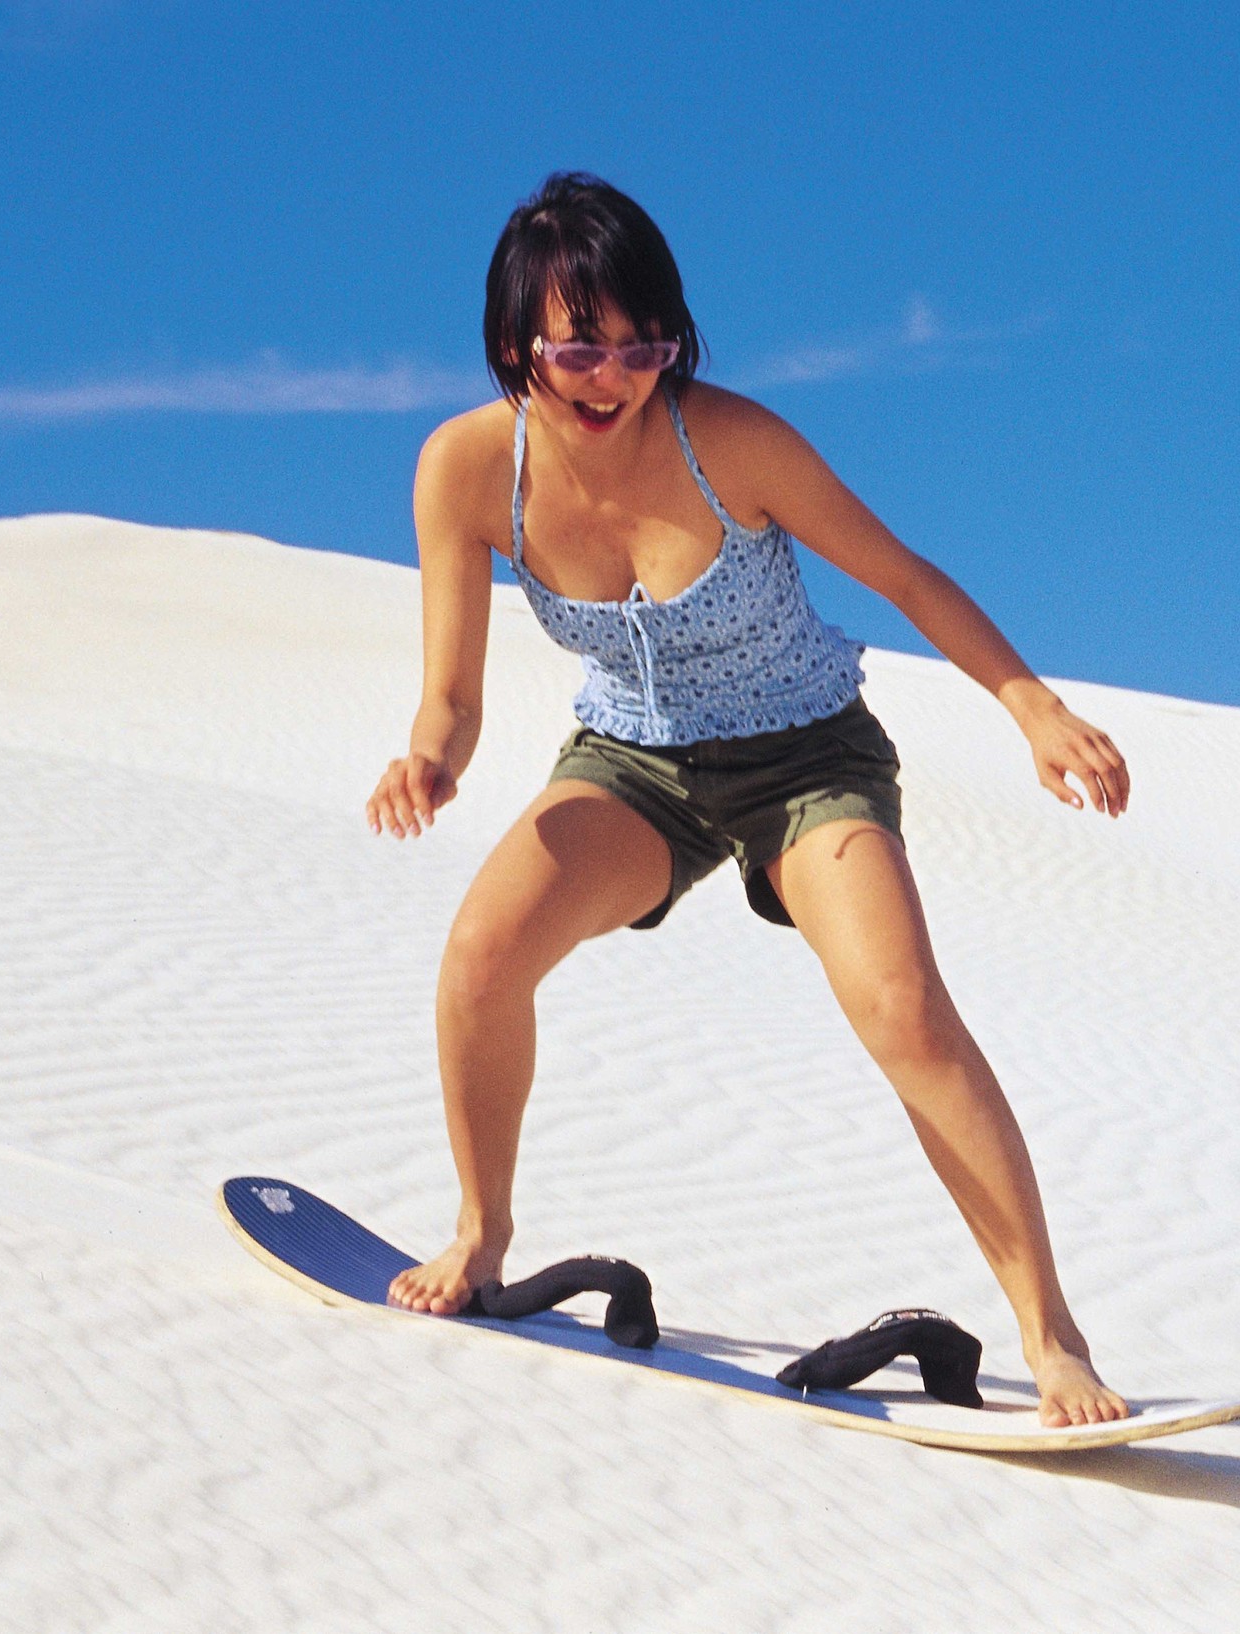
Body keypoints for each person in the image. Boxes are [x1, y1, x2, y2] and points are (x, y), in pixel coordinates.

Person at [369, 172, 1133, 1426]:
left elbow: (905, 575)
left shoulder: (731, 441)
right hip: (635, 766)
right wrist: (428, 761)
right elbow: (447, 694)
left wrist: (1032, 706)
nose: (615, 375)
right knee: (479, 955)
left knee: (904, 1013)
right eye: (581, 349)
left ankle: (1051, 1340)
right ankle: (479, 1233)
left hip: (806, 758)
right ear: (518, 346)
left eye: (643, 345)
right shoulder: (464, 470)